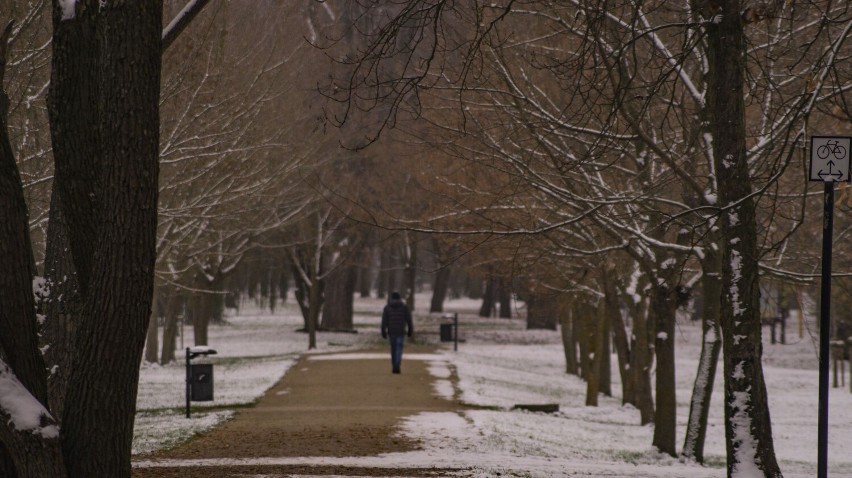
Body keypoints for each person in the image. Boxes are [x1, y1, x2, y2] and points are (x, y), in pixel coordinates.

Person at [381, 291, 413, 374]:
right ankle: (397, 364)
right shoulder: (404, 307)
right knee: (399, 348)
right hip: (401, 331)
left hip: (391, 331)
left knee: (393, 348)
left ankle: (394, 364)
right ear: (399, 298)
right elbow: (409, 320)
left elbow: (384, 321)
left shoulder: (387, 308)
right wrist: (410, 330)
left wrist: (383, 331)